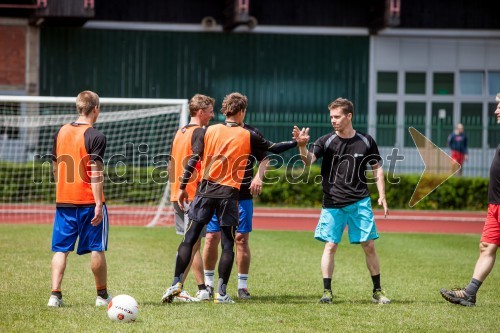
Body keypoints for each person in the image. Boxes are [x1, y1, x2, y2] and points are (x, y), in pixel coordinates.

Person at [161, 92, 280, 304]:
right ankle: (220, 292)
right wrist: (298, 142)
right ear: (242, 111)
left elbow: (191, 161)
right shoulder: (245, 134)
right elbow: (274, 148)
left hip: (203, 192)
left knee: (191, 239)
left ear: (226, 110)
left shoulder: (205, 131)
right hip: (228, 196)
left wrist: (179, 187)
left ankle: (176, 284)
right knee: (225, 243)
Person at [293, 97, 390, 304]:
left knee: (369, 245)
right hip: (333, 202)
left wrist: (382, 194)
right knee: (330, 246)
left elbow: (377, 167)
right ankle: (327, 292)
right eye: (331, 117)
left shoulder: (366, 140)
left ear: (349, 116)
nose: (333, 121)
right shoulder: (326, 140)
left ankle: (377, 291)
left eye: (337, 117)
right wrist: (302, 146)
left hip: (360, 201)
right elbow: (308, 160)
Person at [202, 125, 297, 300]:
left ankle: (242, 286)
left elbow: (265, 158)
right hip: (215, 193)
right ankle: (207, 285)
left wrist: (258, 177)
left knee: (241, 239)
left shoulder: (251, 134)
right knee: (211, 238)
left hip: (242, 195)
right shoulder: (215, 130)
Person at [47, 90, 111, 307]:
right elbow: (96, 172)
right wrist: (99, 204)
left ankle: (54, 295)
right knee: (96, 247)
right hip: (88, 202)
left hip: (64, 201)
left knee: (60, 249)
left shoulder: (61, 132)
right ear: (95, 109)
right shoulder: (96, 136)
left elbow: (55, 166)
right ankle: (102, 296)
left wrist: (62, 188)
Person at [440, 100, 500, 306]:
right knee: (486, 246)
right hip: (495, 205)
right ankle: (470, 293)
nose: (496, 110)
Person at [167, 94, 215, 302]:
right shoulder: (200, 133)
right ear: (201, 112)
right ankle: (177, 286)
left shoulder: (180, 132)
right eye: (211, 111)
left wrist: (175, 188)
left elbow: (170, 164)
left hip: (177, 193)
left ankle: (199, 287)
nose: (213, 115)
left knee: (191, 243)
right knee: (192, 241)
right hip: (192, 194)